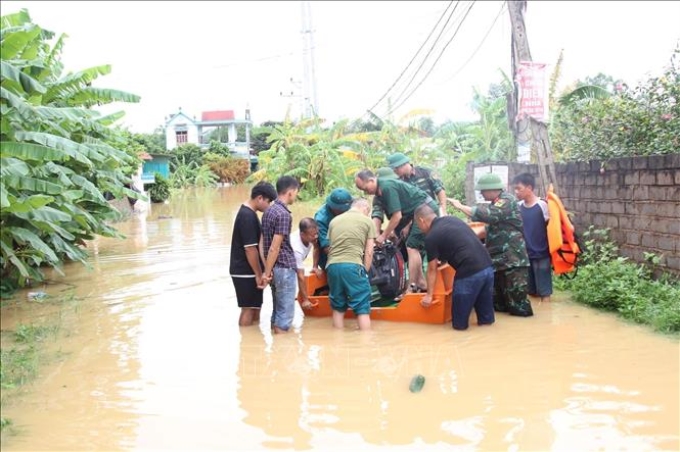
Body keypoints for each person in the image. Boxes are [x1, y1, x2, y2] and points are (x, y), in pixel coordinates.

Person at [448, 173, 534, 317]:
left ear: (493, 189)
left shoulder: (507, 201)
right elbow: (490, 229)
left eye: (483, 190)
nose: (481, 193)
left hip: (513, 260)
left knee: (518, 305)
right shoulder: (497, 203)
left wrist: (460, 206)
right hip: (498, 260)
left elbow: (489, 215)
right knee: (499, 305)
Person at [355, 169, 439, 293]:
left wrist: (384, 235)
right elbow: (377, 216)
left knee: (411, 246)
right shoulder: (378, 195)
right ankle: (421, 282)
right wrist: (375, 235)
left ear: (372, 180)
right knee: (409, 245)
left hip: (425, 209)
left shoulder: (387, 187)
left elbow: (397, 216)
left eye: (365, 188)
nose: (366, 192)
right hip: (414, 214)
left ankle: (411, 286)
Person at [414, 203, 495, 330]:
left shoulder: (431, 237)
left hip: (469, 274)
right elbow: (457, 243)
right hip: (488, 268)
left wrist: (429, 295)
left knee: (459, 325)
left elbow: (431, 269)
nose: (419, 228)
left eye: (418, 225)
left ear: (421, 220)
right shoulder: (452, 220)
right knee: (486, 321)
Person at [230, 181, 278, 326]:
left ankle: (254, 342)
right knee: (248, 309)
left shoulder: (249, 213)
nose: (269, 206)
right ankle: (245, 342)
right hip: (245, 271)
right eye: (268, 202)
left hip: (249, 270)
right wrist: (258, 274)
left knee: (255, 307)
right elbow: (250, 249)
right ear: (260, 198)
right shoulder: (247, 216)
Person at [326, 198, 376, 331]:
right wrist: (364, 270)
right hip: (353, 265)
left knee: (338, 306)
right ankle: (365, 343)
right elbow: (369, 251)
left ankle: (338, 340)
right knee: (362, 307)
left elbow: (331, 247)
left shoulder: (334, 221)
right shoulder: (368, 221)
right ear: (365, 209)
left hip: (332, 267)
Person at [262, 176, 300, 334]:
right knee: (284, 319)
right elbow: (274, 247)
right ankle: (282, 353)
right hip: (284, 268)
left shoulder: (268, 211)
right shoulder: (284, 215)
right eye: (296, 192)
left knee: (277, 313)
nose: (296, 196)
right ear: (290, 192)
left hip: (274, 269)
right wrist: (266, 272)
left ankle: (273, 353)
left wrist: (268, 270)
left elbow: (264, 243)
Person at [513, 172, 552, 303]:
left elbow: (551, 227)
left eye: (519, 188)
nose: (516, 191)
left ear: (529, 188)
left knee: (544, 292)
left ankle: (546, 315)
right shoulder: (518, 207)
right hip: (525, 254)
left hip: (542, 253)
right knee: (531, 291)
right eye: (515, 188)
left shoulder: (542, 205)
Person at [387, 152, 448, 217]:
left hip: (432, 212)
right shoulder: (399, 182)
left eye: (396, 169)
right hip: (414, 217)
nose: (395, 172)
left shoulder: (425, 172)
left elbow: (440, 190)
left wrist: (443, 210)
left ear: (403, 165)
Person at [313, 188, 353, 273]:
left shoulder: (349, 211)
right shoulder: (321, 219)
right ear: (336, 209)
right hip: (331, 259)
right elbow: (327, 248)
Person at [290, 217, 320, 310]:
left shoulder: (311, 236)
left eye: (316, 234)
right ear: (302, 234)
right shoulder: (296, 249)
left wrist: (315, 266)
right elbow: (300, 276)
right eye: (312, 235)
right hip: (284, 267)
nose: (315, 237)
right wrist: (305, 299)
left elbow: (316, 246)